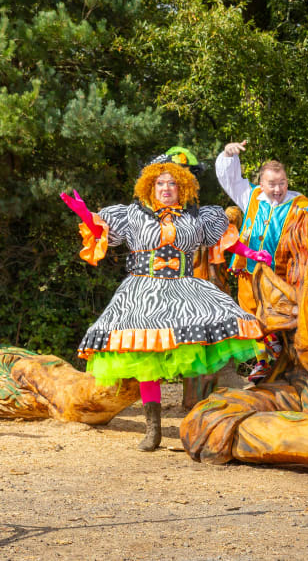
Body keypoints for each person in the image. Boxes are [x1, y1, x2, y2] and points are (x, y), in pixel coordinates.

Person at [60, 154, 272, 451]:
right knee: (147, 360)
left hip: (184, 288)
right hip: (143, 291)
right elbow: (102, 234)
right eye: (160, 183)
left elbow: (224, 241)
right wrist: (84, 215)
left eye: (172, 183)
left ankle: (209, 414)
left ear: (182, 187)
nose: (166, 188)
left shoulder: (198, 216)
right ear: (150, 186)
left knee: (213, 334)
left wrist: (251, 254)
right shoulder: (132, 215)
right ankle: (153, 428)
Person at [214, 140, 308, 316]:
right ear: (261, 184)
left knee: (279, 322)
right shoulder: (251, 196)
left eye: (282, 183)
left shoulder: (301, 205)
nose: (278, 189)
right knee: (250, 320)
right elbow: (230, 181)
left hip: (281, 279)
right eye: (272, 184)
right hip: (249, 275)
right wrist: (228, 155)